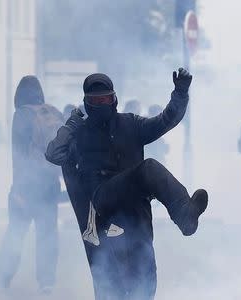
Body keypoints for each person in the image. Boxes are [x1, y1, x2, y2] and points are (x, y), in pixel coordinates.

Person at [46, 69, 208, 300]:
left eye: (106, 99)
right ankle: (184, 214)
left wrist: (180, 93)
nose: (101, 105)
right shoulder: (79, 134)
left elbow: (166, 120)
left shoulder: (130, 124)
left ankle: (185, 215)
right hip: (104, 206)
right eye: (95, 101)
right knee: (110, 287)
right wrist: (70, 126)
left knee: (145, 285)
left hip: (136, 220)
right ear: (86, 104)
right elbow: (53, 154)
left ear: (114, 100)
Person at [0, 76, 63, 293]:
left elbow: (19, 156)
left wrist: (18, 190)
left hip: (29, 185)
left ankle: (0, 279)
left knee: (16, 232)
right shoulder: (53, 112)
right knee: (47, 234)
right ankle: (46, 282)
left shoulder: (22, 114)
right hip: (50, 185)